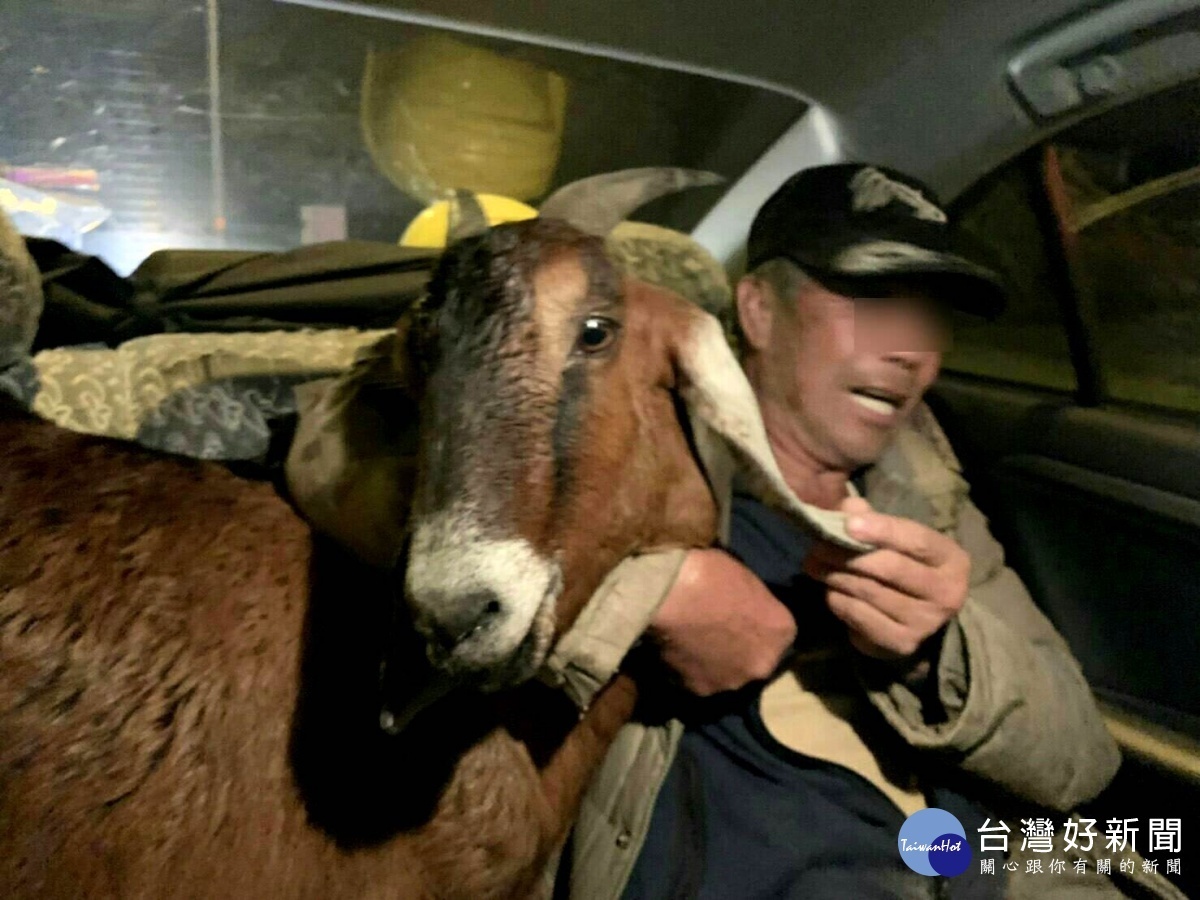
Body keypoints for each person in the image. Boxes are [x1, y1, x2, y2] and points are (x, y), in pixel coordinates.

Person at [545, 164, 1181, 899]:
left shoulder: (921, 491)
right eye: (874, 300)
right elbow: (445, 588)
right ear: (758, 311)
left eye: (933, 315)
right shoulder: (629, 456)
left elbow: (1082, 758)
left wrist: (941, 655)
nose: (912, 348)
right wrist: (651, 592)